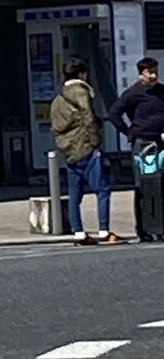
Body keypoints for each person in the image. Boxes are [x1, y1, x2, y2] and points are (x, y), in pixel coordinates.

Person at [50, 58, 120, 246]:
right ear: (82, 74)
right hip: (86, 147)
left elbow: (56, 127)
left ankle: (78, 232)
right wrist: (96, 142)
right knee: (103, 190)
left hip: (69, 150)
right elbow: (88, 119)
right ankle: (104, 230)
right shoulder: (81, 93)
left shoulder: (58, 98)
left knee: (75, 194)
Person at [108, 56, 164, 241]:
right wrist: (129, 132)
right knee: (144, 186)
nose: (154, 76)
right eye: (149, 73)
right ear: (141, 74)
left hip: (160, 141)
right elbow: (114, 113)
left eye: (155, 71)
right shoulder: (133, 93)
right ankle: (144, 229)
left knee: (160, 184)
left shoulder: (162, 91)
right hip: (143, 143)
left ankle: (159, 227)